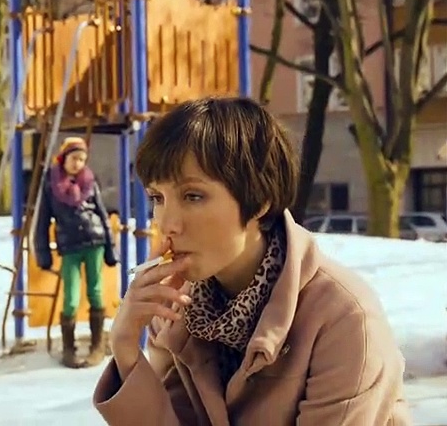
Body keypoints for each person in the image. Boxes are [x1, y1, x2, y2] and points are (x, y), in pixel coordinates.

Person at [93, 97, 410, 425]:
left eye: (193, 196)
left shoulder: (343, 318)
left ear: (260, 201)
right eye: (157, 198)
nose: (167, 224)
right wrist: (126, 349)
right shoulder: (179, 308)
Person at [35, 137, 117, 369]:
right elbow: (42, 221)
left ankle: (97, 345)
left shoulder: (89, 181)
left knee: (95, 291)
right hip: (69, 245)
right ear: (63, 158)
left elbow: (102, 214)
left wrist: (111, 248)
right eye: (74, 158)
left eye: (82, 159)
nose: (78, 163)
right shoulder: (52, 184)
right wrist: (43, 253)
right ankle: (69, 348)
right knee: (70, 297)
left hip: (95, 241)